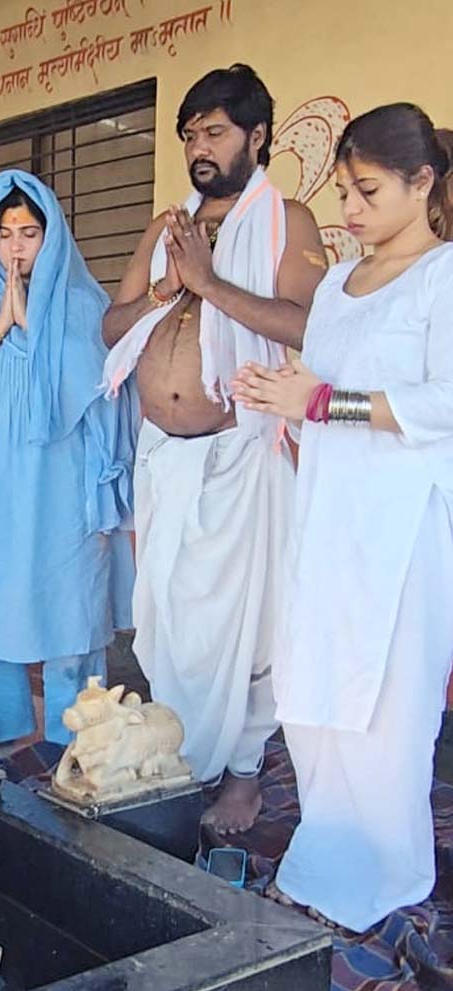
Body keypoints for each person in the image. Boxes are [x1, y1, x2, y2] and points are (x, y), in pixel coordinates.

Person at [232, 103, 453, 931]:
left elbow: (444, 400)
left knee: (386, 705)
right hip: (326, 516)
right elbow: (316, 395)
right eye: (344, 191)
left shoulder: (444, 276)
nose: (349, 211)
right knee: (315, 688)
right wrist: (282, 400)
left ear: (422, 183)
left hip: (400, 527)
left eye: (366, 192)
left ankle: (387, 880)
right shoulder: (334, 283)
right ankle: (326, 860)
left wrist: (327, 400)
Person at [101, 64, 326, 833]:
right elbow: (112, 327)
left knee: (248, 623)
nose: (199, 145)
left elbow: (304, 325)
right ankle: (176, 751)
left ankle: (241, 772)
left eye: (215, 131)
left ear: (256, 137)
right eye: (191, 133)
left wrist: (208, 281)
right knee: (163, 620)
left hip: (241, 454)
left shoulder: (289, 221)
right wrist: (169, 286)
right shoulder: (168, 227)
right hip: (164, 455)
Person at [0, 169, 135, 760]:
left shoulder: (84, 307)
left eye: (30, 232)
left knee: (72, 605)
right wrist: (1, 324)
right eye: (5, 233)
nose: (16, 247)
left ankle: (78, 731)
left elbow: (111, 397)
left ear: (53, 237)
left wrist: (108, 490)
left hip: (64, 486)